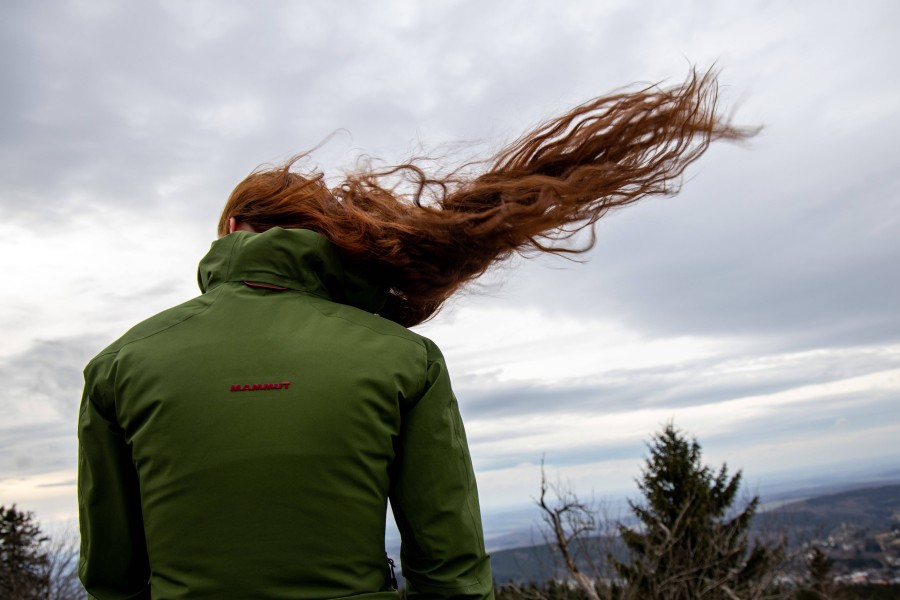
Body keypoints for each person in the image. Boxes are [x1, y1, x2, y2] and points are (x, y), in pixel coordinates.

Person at [78, 69, 753, 599]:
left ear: (229, 232)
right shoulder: (405, 361)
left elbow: (112, 577)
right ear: (325, 238)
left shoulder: (117, 369)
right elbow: (451, 569)